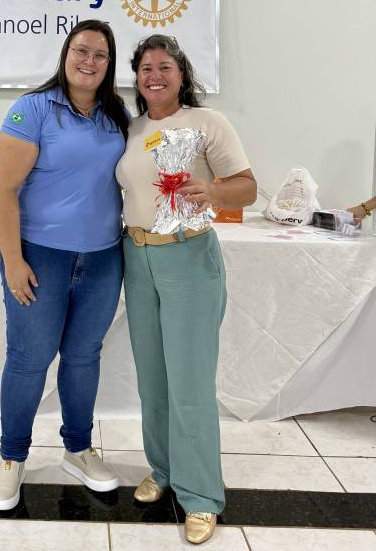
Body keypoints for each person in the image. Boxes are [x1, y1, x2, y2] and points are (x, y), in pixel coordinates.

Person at [116, 34, 257, 544]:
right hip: (137, 256)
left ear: (182, 75)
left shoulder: (206, 122)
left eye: (165, 67)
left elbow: (247, 187)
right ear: (136, 78)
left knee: (190, 383)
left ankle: (200, 495)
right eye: (146, 68)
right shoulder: (131, 128)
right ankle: (165, 469)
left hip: (188, 256)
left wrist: (214, 190)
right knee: (152, 378)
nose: (155, 76)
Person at [0, 19, 128, 511]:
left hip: (103, 259)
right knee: (29, 359)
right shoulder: (33, 109)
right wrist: (13, 260)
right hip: (39, 257)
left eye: (100, 55)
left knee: (84, 357)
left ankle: (78, 449)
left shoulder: (116, 115)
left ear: (109, 65)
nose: (89, 61)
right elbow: (3, 190)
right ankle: (12, 458)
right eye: (81, 51)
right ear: (65, 55)